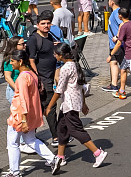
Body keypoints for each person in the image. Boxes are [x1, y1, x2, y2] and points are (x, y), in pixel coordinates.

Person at [44, 43, 107, 172]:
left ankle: (97, 153)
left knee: (75, 130)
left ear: (61, 55)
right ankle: (60, 157)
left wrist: (49, 107)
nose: (54, 56)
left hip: (70, 103)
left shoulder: (65, 68)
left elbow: (59, 90)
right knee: (62, 129)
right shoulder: (74, 64)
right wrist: (83, 103)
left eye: (55, 54)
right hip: (72, 102)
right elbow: (81, 86)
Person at [5, 49, 58, 176]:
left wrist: (23, 120)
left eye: (13, 61)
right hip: (32, 113)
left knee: (12, 143)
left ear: (20, 61)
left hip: (19, 115)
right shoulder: (32, 74)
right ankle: (53, 159)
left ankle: (14, 172)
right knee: (31, 140)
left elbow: (23, 99)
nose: (11, 64)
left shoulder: (22, 78)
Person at [25, 10, 59, 146]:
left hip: (50, 77)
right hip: (42, 80)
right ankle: (56, 137)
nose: (46, 25)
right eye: (43, 23)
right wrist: (37, 79)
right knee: (50, 107)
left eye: (48, 23)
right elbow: (31, 60)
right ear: (37, 25)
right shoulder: (34, 39)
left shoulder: (50, 36)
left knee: (40, 108)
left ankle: (29, 137)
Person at [101, 0, 122, 93]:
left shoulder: (116, 12)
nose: (108, 2)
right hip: (116, 44)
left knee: (118, 63)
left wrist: (117, 36)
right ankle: (114, 85)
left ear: (112, 2)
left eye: (109, 1)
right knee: (114, 62)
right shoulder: (117, 12)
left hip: (117, 44)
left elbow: (122, 24)